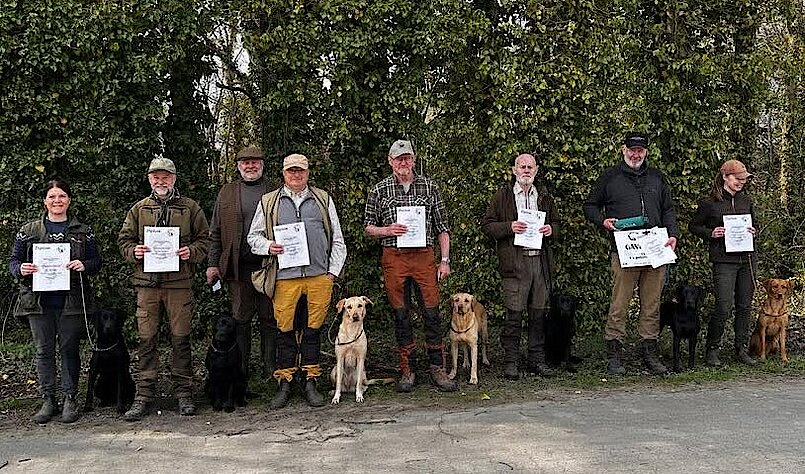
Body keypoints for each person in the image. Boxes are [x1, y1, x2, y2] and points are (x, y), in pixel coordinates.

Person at [247, 153, 346, 408]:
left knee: (313, 331)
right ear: (283, 173)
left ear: (308, 172)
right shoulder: (269, 201)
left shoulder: (323, 199)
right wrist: (269, 246)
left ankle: (311, 380)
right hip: (284, 277)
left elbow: (337, 239)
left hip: (319, 276)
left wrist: (332, 273)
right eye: (291, 171)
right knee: (285, 331)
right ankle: (285, 381)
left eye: (300, 170)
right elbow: (253, 237)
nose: (296, 175)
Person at [118, 157, 210, 421]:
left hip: (178, 284)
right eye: (156, 177)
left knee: (181, 339)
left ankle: (184, 392)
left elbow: (205, 240)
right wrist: (133, 251)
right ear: (150, 179)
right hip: (147, 285)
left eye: (166, 177)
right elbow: (124, 240)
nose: (161, 181)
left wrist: (191, 252)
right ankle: (144, 394)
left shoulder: (190, 208)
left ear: (174, 179)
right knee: (146, 339)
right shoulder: (139, 209)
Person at [364, 139, 457, 393]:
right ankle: (408, 369)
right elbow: (368, 227)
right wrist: (387, 230)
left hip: (424, 256)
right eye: (398, 158)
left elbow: (442, 227)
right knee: (401, 314)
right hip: (394, 257)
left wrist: (445, 260)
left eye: (407, 158)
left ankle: (437, 367)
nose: (403, 162)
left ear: (414, 160)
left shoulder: (429, 187)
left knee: (432, 311)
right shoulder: (379, 190)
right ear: (390, 161)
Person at [583, 132, 679, 375]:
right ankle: (614, 351)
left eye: (640, 150)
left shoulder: (657, 177)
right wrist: (602, 221)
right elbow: (590, 205)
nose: (636, 154)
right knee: (620, 302)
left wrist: (673, 234)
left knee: (652, 303)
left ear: (646, 152)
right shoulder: (610, 177)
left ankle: (649, 350)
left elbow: (668, 209)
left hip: (655, 247)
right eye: (632, 149)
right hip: (625, 248)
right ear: (624, 149)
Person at [9, 179, 101, 424]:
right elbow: (13, 261)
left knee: (69, 350)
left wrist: (84, 265)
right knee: (43, 351)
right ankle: (48, 399)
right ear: (44, 201)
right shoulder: (28, 231)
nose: (57, 200)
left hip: (71, 301)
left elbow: (96, 262)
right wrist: (21, 269)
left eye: (62, 196)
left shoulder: (84, 231)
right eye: (52, 196)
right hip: (37, 302)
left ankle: (70, 398)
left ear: (69, 200)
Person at [482, 153, 560, 380]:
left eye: (530, 167)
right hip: (515, 263)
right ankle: (511, 361)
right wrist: (510, 227)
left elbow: (557, 223)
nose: (526, 170)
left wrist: (551, 230)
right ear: (514, 170)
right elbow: (487, 225)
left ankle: (536, 359)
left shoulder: (544, 196)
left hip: (540, 262)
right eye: (522, 166)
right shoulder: (503, 196)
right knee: (514, 314)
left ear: (536, 170)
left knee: (538, 314)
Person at [207, 145, 276, 382]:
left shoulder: (275, 190)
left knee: (270, 317)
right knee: (240, 318)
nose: (250, 166)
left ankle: (270, 368)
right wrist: (213, 264)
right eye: (246, 162)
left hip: (269, 266)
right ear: (238, 166)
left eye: (255, 162)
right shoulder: (227, 192)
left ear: (262, 165)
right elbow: (215, 231)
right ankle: (241, 368)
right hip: (238, 268)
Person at [690, 159, 757, 366]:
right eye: (737, 179)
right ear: (725, 177)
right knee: (723, 306)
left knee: (745, 305)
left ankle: (741, 348)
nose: (741, 182)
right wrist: (712, 233)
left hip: (746, 259)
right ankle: (712, 349)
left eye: (743, 179)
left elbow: (755, 225)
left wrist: (753, 231)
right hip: (723, 260)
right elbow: (694, 226)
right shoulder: (709, 203)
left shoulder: (746, 201)